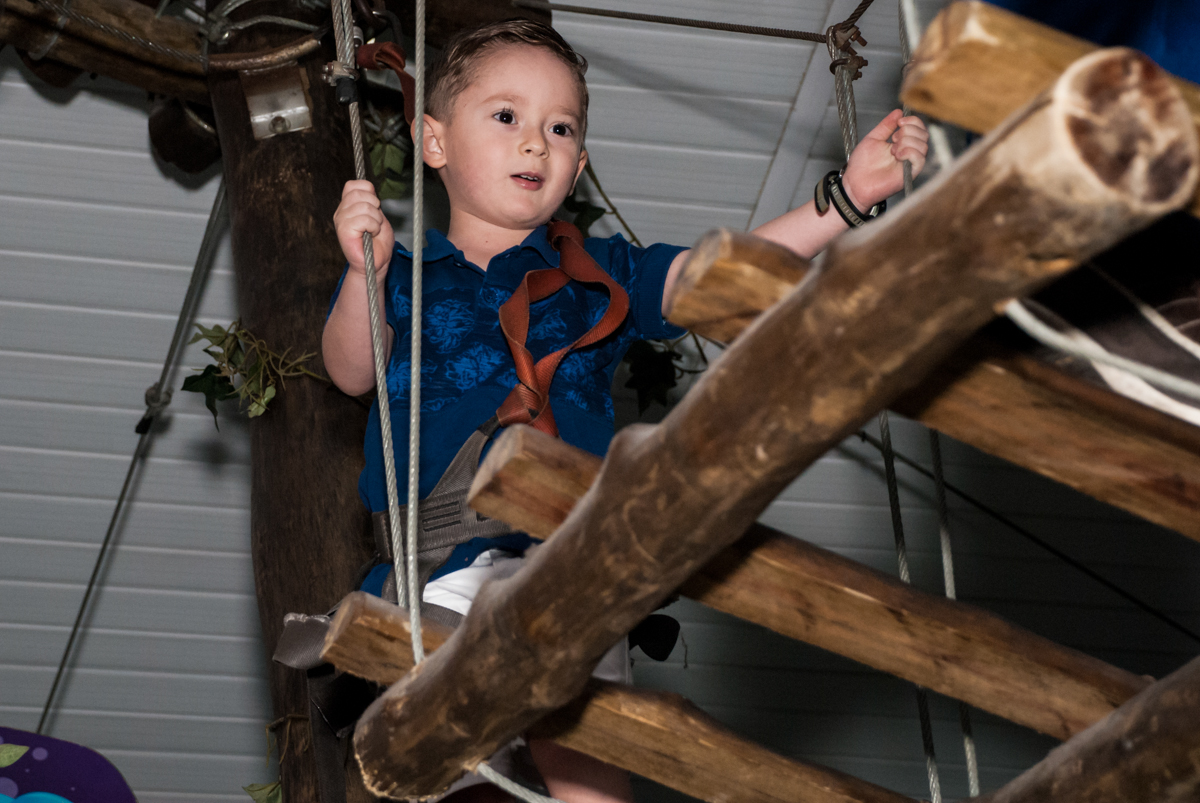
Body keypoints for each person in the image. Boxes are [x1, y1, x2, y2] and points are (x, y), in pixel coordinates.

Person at [323, 18, 928, 803]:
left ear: (579, 164)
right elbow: (348, 370)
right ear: (432, 141)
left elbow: (717, 278)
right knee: (443, 755)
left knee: (592, 778)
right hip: (445, 570)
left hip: (574, 561)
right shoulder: (403, 276)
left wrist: (844, 199)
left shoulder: (598, 272)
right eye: (506, 117)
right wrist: (362, 276)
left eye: (560, 127)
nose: (535, 142)